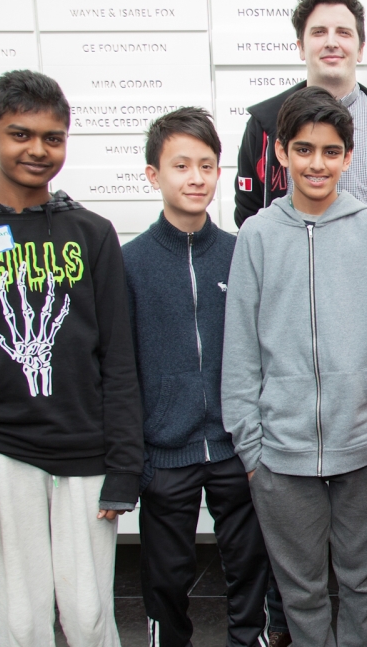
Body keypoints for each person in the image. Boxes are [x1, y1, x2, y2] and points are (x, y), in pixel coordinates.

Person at [0, 70, 142, 646]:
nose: (38, 150)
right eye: (20, 134)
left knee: (90, 619)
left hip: (87, 451)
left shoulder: (91, 233)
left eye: (53, 137)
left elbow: (117, 358)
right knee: (21, 621)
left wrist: (123, 469)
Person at [233, 0, 367, 645]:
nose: (316, 163)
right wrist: (253, 448)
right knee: (303, 596)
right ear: (281, 154)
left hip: (365, 449)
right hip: (281, 457)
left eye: (329, 151)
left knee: (363, 587)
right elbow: (242, 356)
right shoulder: (258, 236)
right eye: (303, 150)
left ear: (349, 159)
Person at [124, 107, 270, 647]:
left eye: (206, 165)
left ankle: (249, 638)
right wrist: (136, 453)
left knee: (250, 564)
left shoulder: (242, 253)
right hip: (165, 452)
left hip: (236, 446)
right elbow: (120, 366)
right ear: (152, 174)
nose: (195, 178)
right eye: (180, 165)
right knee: (165, 576)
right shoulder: (128, 263)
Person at [234, 0, 367, 263]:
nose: (331, 42)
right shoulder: (266, 125)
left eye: (343, 32)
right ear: (301, 48)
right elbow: (248, 219)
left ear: (361, 49)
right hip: (290, 290)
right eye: (318, 32)